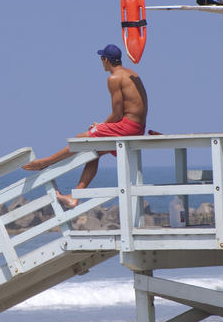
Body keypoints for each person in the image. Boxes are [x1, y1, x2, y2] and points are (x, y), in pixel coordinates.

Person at [22, 44, 148, 208]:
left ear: (105, 60)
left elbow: (117, 114)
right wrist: (103, 128)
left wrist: (101, 126)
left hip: (128, 126)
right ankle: (74, 197)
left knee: (81, 139)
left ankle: (45, 162)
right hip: (138, 126)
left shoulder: (114, 78)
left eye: (101, 59)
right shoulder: (132, 73)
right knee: (93, 152)